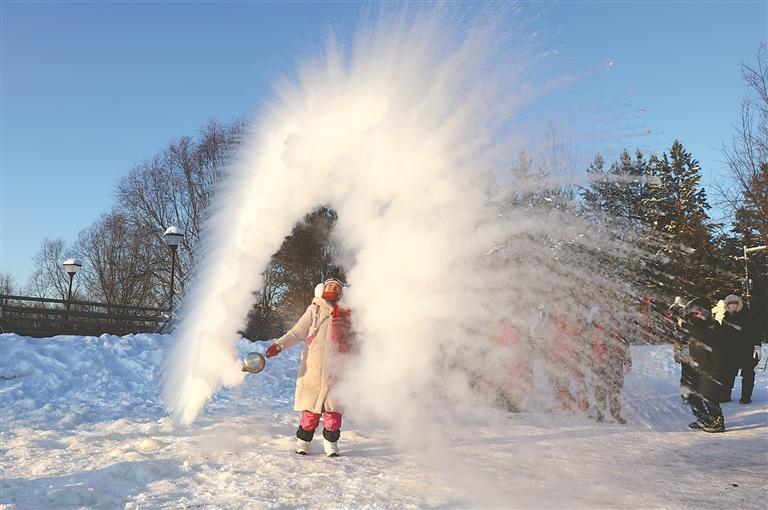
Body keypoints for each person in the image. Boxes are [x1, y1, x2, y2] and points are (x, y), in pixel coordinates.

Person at [264, 278, 354, 456]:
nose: (333, 288)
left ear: (342, 293)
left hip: (337, 371)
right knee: (310, 412)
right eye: (330, 285)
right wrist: (279, 345)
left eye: (337, 286)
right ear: (321, 289)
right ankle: (303, 442)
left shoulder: (348, 314)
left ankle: (331, 445)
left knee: (333, 413)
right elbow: (297, 332)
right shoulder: (314, 310)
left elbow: (358, 340)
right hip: (313, 369)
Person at [683, 298, 726, 433]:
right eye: (692, 314)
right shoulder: (693, 327)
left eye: (697, 313)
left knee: (708, 395)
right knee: (690, 395)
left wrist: (688, 327)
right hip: (695, 366)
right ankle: (703, 418)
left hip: (712, 367)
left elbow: (704, 336)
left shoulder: (713, 326)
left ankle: (717, 421)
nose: (694, 316)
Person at [589, 308, 632, 424]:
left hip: (614, 364)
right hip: (598, 364)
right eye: (602, 314)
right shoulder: (593, 328)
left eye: (607, 314)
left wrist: (627, 362)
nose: (605, 317)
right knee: (600, 391)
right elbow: (588, 346)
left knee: (614, 391)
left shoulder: (616, 328)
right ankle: (600, 415)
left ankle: (616, 414)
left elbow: (624, 346)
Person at [720, 294, 761, 404]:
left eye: (735, 303)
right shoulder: (725, 319)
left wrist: (757, 347)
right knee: (728, 374)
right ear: (727, 305)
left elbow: (757, 332)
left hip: (747, 350)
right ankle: (725, 395)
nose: (733, 306)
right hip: (730, 351)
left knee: (747, 374)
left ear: (739, 304)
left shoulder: (749, 316)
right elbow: (722, 335)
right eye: (730, 304)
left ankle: (746, 397)